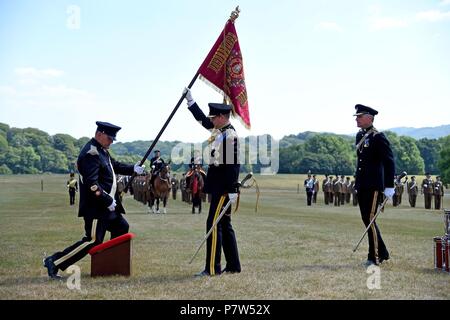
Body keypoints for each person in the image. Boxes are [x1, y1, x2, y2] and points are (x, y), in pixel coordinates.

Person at [42, 121, 145, 279]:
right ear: (99, 135)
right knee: (92, 241)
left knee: (122, 227)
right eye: (109, 138)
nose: (111, 141)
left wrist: (132, 169)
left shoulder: (101, 150)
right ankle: (54, 261)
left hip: (108, 208)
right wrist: (107, 200)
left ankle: (111, 264)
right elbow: (92, 183)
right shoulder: (91, 153)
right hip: (97, 207)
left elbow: (114, 166)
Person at [184, 87, 241, 276]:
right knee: (225, 225)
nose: (212, 120)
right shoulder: (220, 131)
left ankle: (212, 268)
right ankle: (233, 266)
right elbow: (202, 120)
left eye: (214, 117)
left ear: (223, 117)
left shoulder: (229, 135)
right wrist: (191, 102)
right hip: (221, 187)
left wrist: (232, 189)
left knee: (214, 225)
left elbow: (233, 165)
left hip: (223, 188)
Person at [354, 104, 395, 266]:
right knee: (367, 220)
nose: (356, 119)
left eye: (359, 116)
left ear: (369, 118)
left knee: (370, 219)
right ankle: (382, 252)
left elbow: (389, 162)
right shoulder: (359, 136)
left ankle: (375, 256)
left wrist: (389, 186)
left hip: (373, 185)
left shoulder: (378, 137)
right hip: (362, 184)